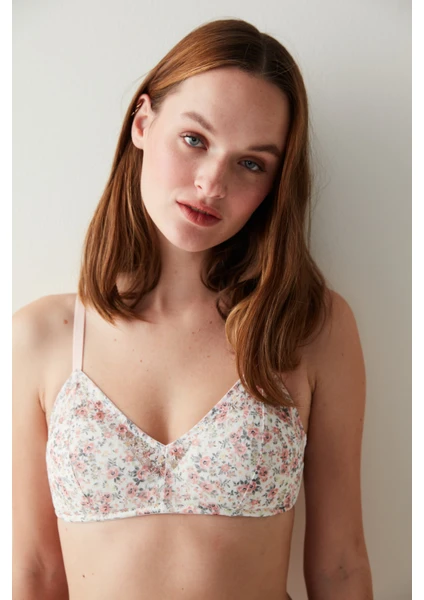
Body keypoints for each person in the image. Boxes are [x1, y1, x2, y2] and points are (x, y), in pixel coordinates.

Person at [12, 17, 374, 600]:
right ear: (142, 122)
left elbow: (340, 566)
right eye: (195, 140)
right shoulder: (41, 337)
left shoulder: (309, 328)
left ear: (275, 184)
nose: (212, 184)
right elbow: (35, 572)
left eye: (251, 163)